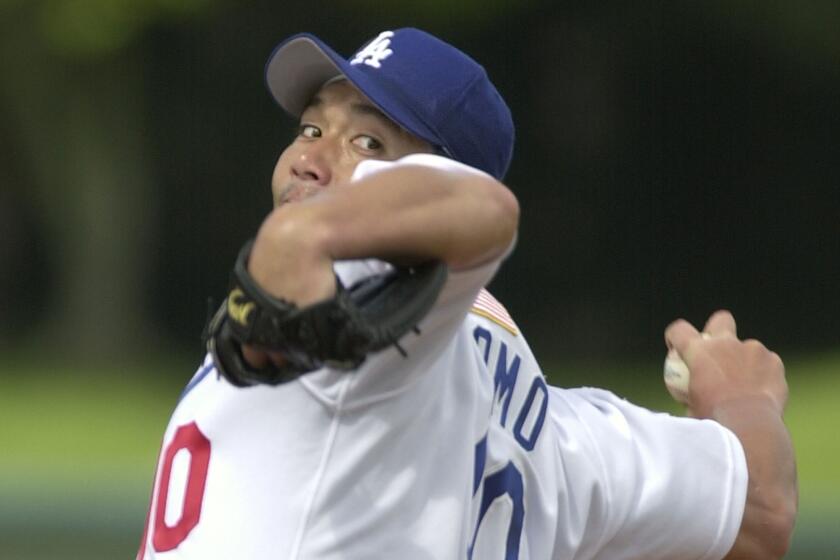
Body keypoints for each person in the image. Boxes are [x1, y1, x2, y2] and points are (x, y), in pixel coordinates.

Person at [137, 28, 796, 559]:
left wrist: (307, 236)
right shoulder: (559, 435)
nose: (312, 156)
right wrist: (744, 400)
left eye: (370, 141)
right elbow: (761, 511)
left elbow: (482, 208)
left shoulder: (361, 313)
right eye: (311, 129)